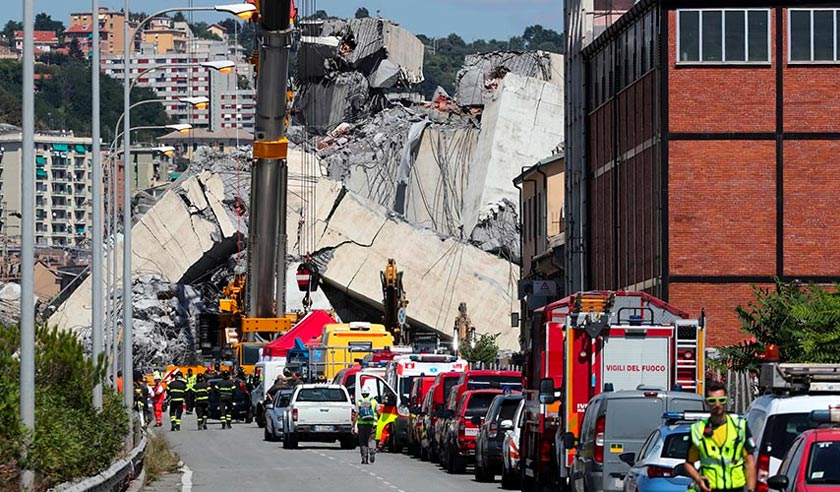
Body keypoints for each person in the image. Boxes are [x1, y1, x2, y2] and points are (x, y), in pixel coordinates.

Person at [685, 380, 757, 492]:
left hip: (736, 489)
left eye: (721, 400)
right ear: (707, 403)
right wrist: (698, 479)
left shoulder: (740, 427)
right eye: (712, 401)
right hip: (710, 489)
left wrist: (751, 489)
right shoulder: (697, 430)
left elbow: (749, 461)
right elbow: (688, 464)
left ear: (726, 401)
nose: (717, 405)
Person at [356, 388, 379, 464]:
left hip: (361, 424)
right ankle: (372, 450)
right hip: (372, 424)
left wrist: (353, 425)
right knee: (371, 439)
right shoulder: (374, 401)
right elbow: (379, 412)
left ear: (362, 394)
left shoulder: (359, 402)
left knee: (363, 442)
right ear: (369, 393)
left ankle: (364, 458)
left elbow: (356, 414)